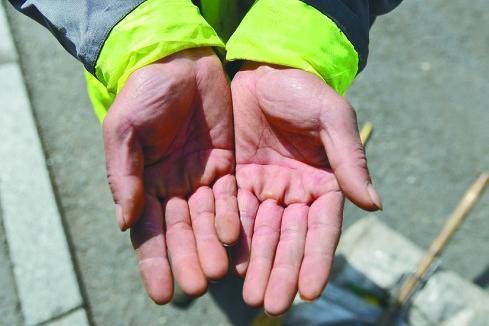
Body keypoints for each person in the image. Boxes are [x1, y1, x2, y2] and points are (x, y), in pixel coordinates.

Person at [9, 0, 402, 316]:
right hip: (160, 110)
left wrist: (294, 49)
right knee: (182, 221)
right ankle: (194, 279)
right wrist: (147, 43)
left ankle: (207, 277)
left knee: (238, 232)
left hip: (274, 106)